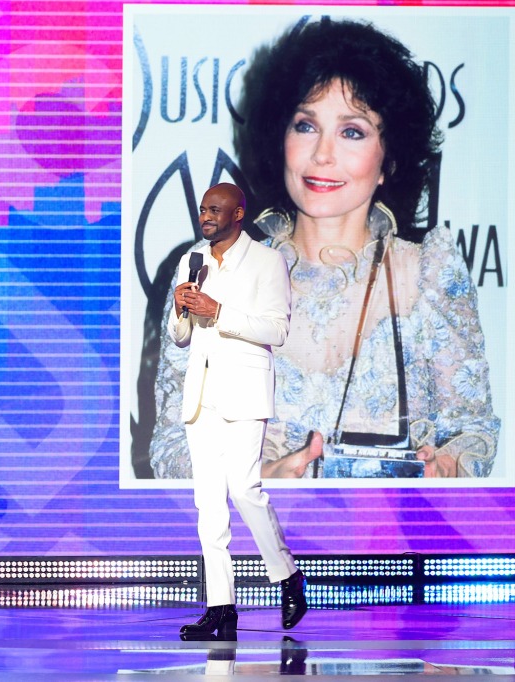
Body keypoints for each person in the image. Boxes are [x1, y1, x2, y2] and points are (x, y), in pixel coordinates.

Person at [151, 18, 499, 480]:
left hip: (392, 545)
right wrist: (257, 479)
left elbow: (472, 432)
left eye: (352, 131)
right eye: (305, 125)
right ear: (281, 140)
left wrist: (447, 468)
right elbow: (174, 444)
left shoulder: (429, 275)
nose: (323, 155)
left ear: (388, 160)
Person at [172, 182, 306, 638]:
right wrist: (179, 311)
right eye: (202, 209)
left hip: (244, 390)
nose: (205, 215)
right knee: (209, 505)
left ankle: (287, 575)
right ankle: (221, 608)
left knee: (245, 490)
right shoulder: (194, 260)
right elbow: (181, 337)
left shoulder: (268, 261)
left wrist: (218, 310)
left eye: (215, 209)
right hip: (202, 395)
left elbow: (277, 328)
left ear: (238, 214)